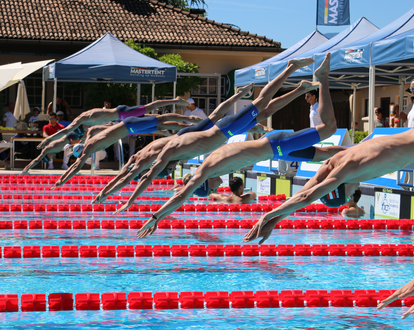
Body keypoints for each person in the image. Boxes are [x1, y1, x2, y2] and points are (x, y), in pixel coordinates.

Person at [128, 54, 340, 236]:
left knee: (328, 128)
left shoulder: (206, 169)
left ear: (204, 183)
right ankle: (358, 149)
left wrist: (155, 217)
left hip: (276, 145)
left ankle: (321, 79)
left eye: (212, 187)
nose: (218, 186)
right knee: (323, 155)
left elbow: (181, 195)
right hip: (276, 151)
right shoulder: (207, 164)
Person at [242, 128, 414, 246]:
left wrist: (268, 216)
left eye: (346, 197)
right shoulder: (334, 163)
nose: (352, 195)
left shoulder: (350, 168)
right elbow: (303, 193)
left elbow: (306, 197)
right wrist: (276, 221)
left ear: (338, 186)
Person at [92, 82, 257, 203]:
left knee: (215, 118)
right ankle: (239, 95)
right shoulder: (140, 159)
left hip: (186, 138)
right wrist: (104, 192)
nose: (172, 168)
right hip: (182, 138)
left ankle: (240, 97)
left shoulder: (150, 159)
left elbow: (127, 179)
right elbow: (122, 176)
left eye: (170, 169)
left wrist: (114, 197)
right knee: (214, 117)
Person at [53, 113, 202, 188]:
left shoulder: (93, 139)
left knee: (164, 121)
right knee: (163, 122)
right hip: (132, 128)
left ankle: (193, 121)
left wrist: (62, 180)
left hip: (131, 126)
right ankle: (193, 123)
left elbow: (77, 165)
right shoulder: (93, 139)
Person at [38, 97, 191, 150]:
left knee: (151, 109)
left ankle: (175, 101)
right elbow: (83, 136)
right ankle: (169, 131)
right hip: (120, 121)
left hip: (122, 113)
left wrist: (48, 139)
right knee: (152, 122)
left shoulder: (82, 120)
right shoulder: (89, 123)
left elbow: (65, 132)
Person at [21, 123, 107, 173]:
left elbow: (37, 159)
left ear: (48, 155)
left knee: (90, 134)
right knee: (78, 150)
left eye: (50, 157)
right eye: (51, 158)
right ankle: (73, 169)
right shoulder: (54, 150)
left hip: (73, 137)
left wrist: (27, 168)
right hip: (77, 140)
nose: (52, 157)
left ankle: (109, 125)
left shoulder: (48, 148)